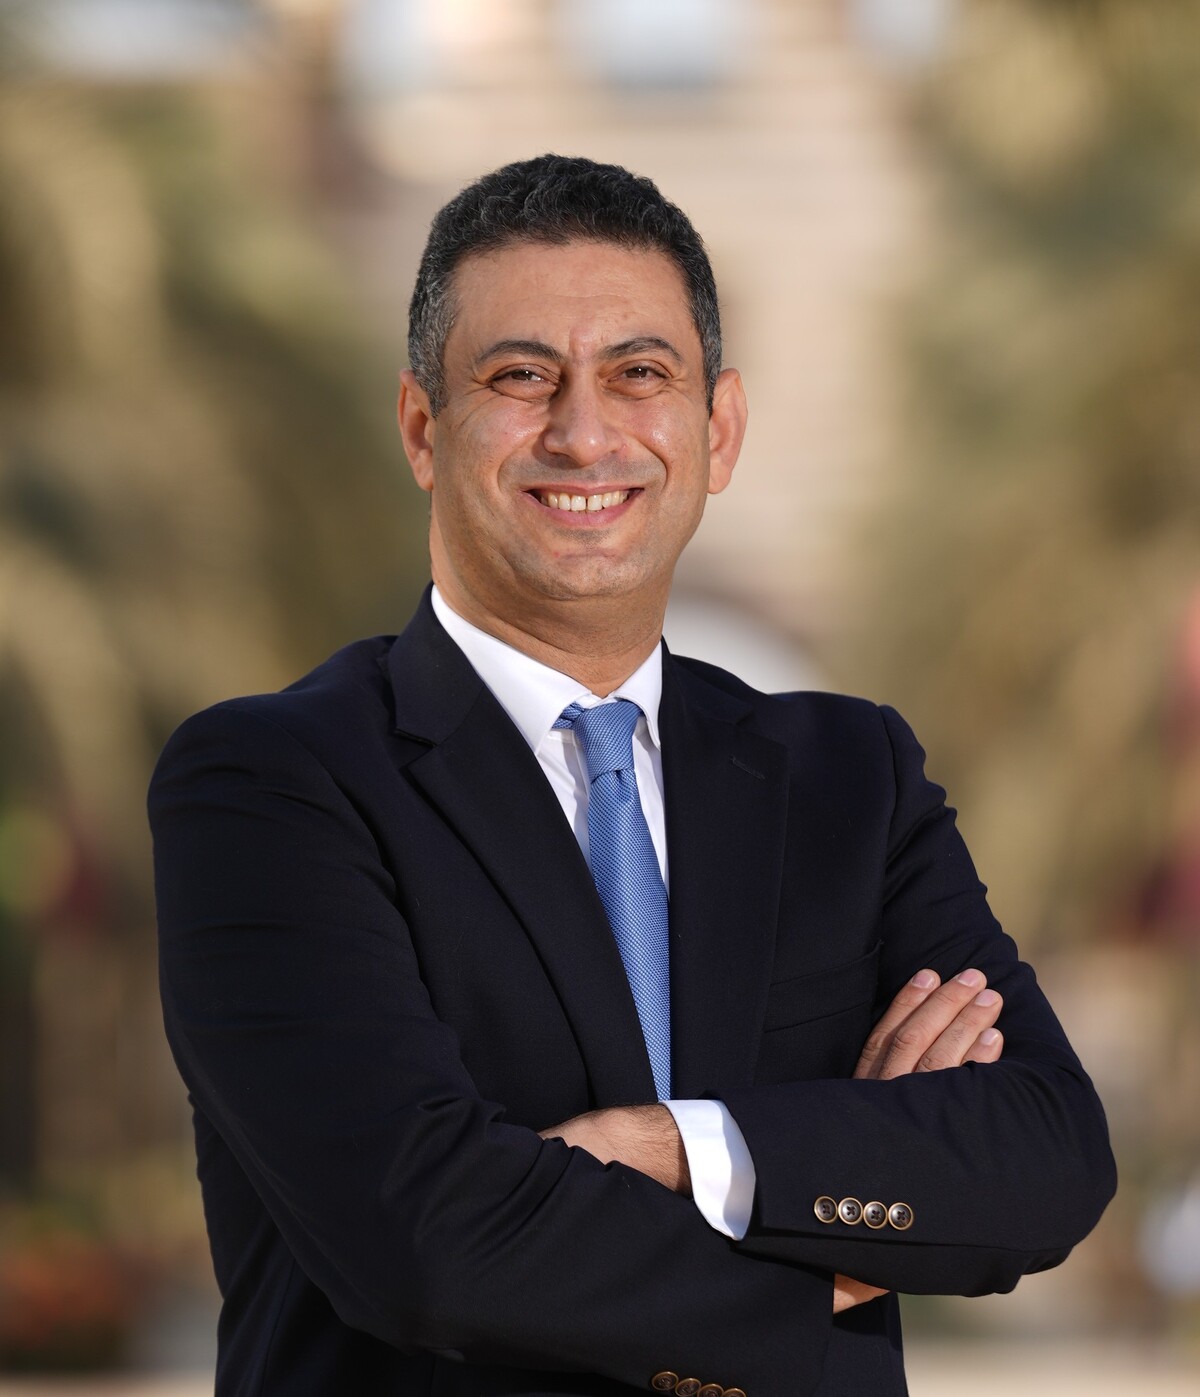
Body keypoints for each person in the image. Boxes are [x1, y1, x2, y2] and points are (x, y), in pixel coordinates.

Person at [150, 155, 1116, 1397]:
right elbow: (426, 1242)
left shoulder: (849, 778)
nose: (584, 430)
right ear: (420, 428)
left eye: (639, 374)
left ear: (716, 431)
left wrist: (679, 1145)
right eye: (519, 376)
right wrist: (828, 1242)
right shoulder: (273, 785)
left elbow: (1045, 1150)